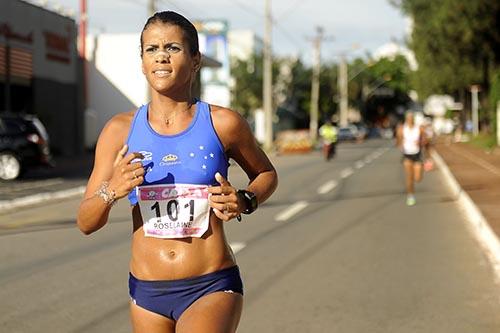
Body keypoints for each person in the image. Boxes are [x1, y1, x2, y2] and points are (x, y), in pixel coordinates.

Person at [76, 11, 278, 333]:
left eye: (173, 48)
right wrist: (112, 189)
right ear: (142, 62)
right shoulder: (119, 131)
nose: (161, 57)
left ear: (195, 60)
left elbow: (266, 173)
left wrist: (245, 199)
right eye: (152, 49)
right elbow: (86, 222)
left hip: (210, 285)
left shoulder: (223, 123)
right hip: (146, 293)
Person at [396, 112, 425, 206]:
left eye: (411, 118)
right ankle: (410, 196)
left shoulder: (419, 128)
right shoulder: (401, 129)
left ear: (413, 119)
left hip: (417, 154)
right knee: (409, 178)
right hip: (407, 155)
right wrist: (401, 144)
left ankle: (412, 191)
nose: (410, 119)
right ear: (406, 119)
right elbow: (398, 142)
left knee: (418, 178)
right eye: (408, 118)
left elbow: (425, 140)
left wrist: (420, 142)